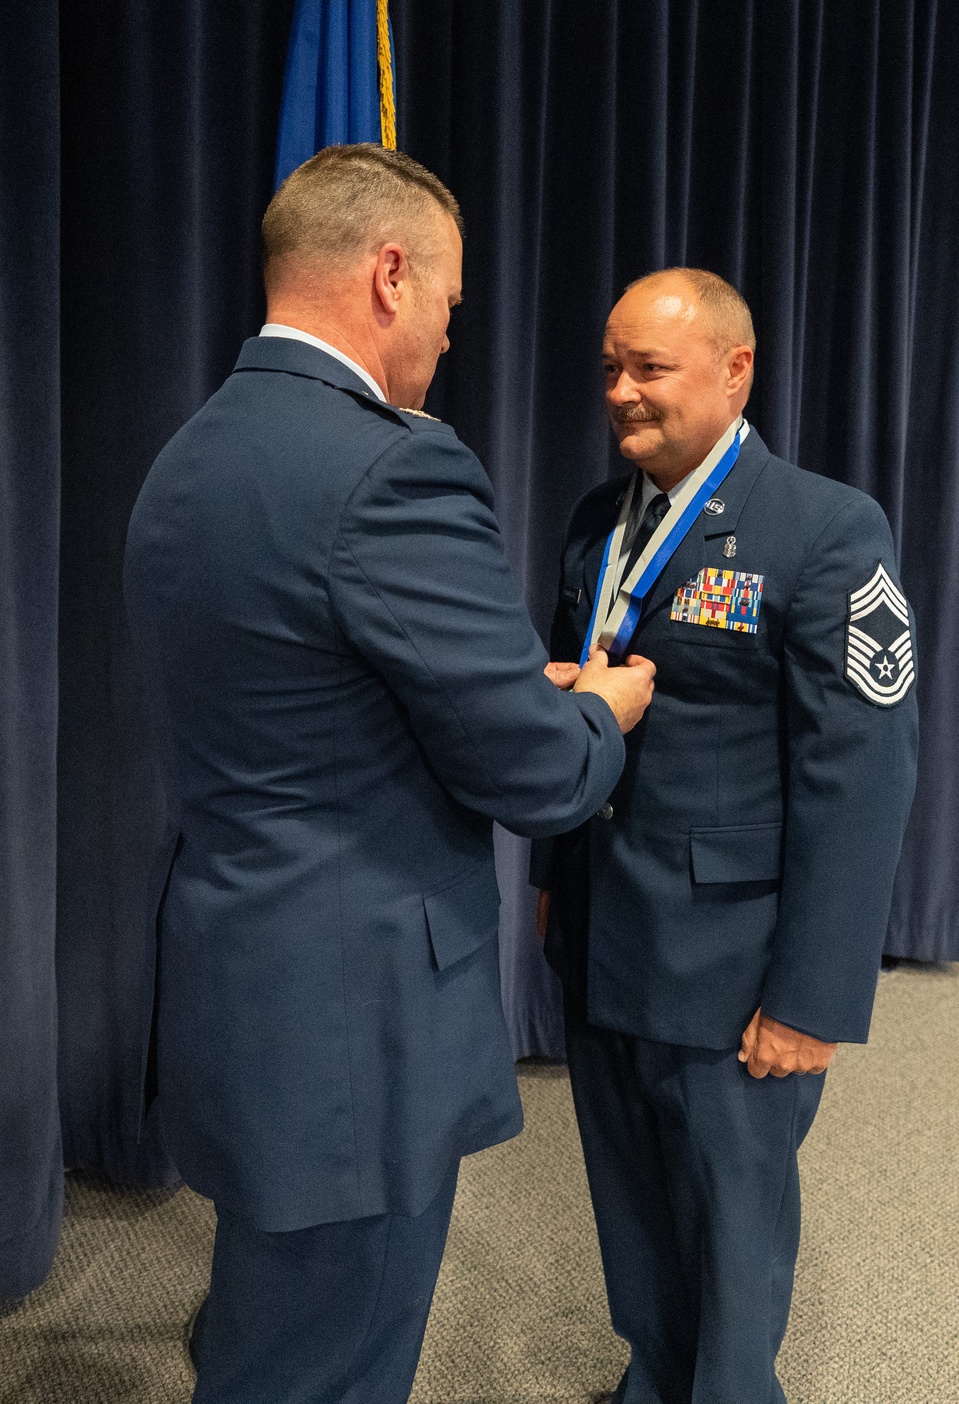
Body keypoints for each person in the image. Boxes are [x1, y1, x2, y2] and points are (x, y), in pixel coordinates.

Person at [123, 143, 655, 1404]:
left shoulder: (190, 456)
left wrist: (509, 690)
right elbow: (533, 778)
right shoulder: (392, 465)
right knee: (333, 1364)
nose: (449, 335)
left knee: (268, 1333)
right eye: (451, 305)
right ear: (390, 273)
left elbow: (310, 692)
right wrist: (605, 714)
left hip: (246, 985)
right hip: (356, 1029)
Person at [534, 268, 918, 1404]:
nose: (620, 392)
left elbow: (865, 777)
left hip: (735, 965)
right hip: (606, 933)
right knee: (632, 1201)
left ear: (734, 369)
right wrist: (562, 880)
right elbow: (581, 718)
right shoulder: (597, 522)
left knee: (731, 1226)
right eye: (609, 367)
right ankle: (653, 1378)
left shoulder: (827, 528)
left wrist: (813, 994)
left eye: (647, 368)